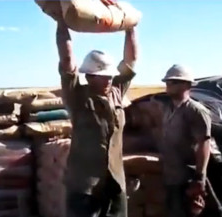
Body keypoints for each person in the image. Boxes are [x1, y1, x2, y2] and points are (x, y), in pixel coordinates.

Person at [55, 8, 138, 217]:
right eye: (104, 76)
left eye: (110, 75)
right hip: (85, 185)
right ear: (90, 76)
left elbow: (131, 61)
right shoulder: (77, 95)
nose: (109, 79)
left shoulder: (117, 91)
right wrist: (62, 22)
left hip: (115, 181)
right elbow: (67, 62)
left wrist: (130, 29)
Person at [158, 65, 212, 217]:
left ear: (187, 85)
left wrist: (199, 178)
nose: (168, 85)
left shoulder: (196, 111)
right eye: (168, 81)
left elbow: (203, 144)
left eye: (174, 82)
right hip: (171, 176)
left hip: (186, 179)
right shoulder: (168, 108)